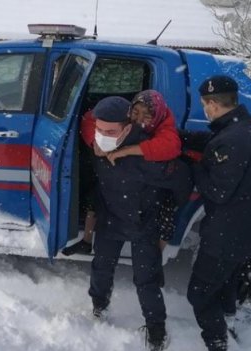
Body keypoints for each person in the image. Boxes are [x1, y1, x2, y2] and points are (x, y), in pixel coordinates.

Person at [88, 96, 190, 351]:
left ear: (127, 127)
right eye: (99, 129)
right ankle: (99, 304)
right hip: (111, 218)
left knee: (146, 280)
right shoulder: (99, 146)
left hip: (144, 222)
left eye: (109, 131)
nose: (101, 135)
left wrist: (165, 220)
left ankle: (156, 330)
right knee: (101, 266)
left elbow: (182, 183)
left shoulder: (150, 154)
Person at [180, 75, 251, 351]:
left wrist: (191, 165)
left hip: (226, 234)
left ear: (212, 104)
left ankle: (217, 341)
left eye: (205, 105)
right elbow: (217, 140)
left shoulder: (232, 140)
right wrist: (183, 138)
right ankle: (228, 319)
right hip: (249, 228)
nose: (204, 110)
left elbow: (217, 191)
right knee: (227, 280)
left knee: (199, 293)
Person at [61, 90, 182, 256]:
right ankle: (87, 240)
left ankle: (156, 259)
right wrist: (94, 141)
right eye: (136, 112)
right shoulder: (123, 116)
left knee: (165, 216)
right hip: (121, 177)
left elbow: (170, 146)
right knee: (98, 194)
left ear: (157, 114)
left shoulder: (164, 123)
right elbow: (90, 119)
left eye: (146, 115)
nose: (139, 118)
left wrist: (127, 151)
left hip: (153, 183)